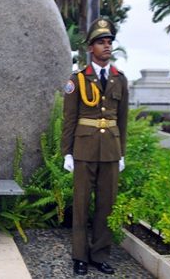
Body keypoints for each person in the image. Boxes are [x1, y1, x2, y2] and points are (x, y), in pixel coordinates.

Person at [61, 18, 128, 275]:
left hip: (110, 150)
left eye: (109, 41)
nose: (107, 46)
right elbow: (69, 118)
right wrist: (66, 152)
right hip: (84, 149)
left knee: (106, 205)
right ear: (91, 48)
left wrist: (122, 153)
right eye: (101, 42)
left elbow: (122, 120)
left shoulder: (119, 79)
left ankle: (100, 255)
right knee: (80, 204)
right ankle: (80, 256)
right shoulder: (77, 79)